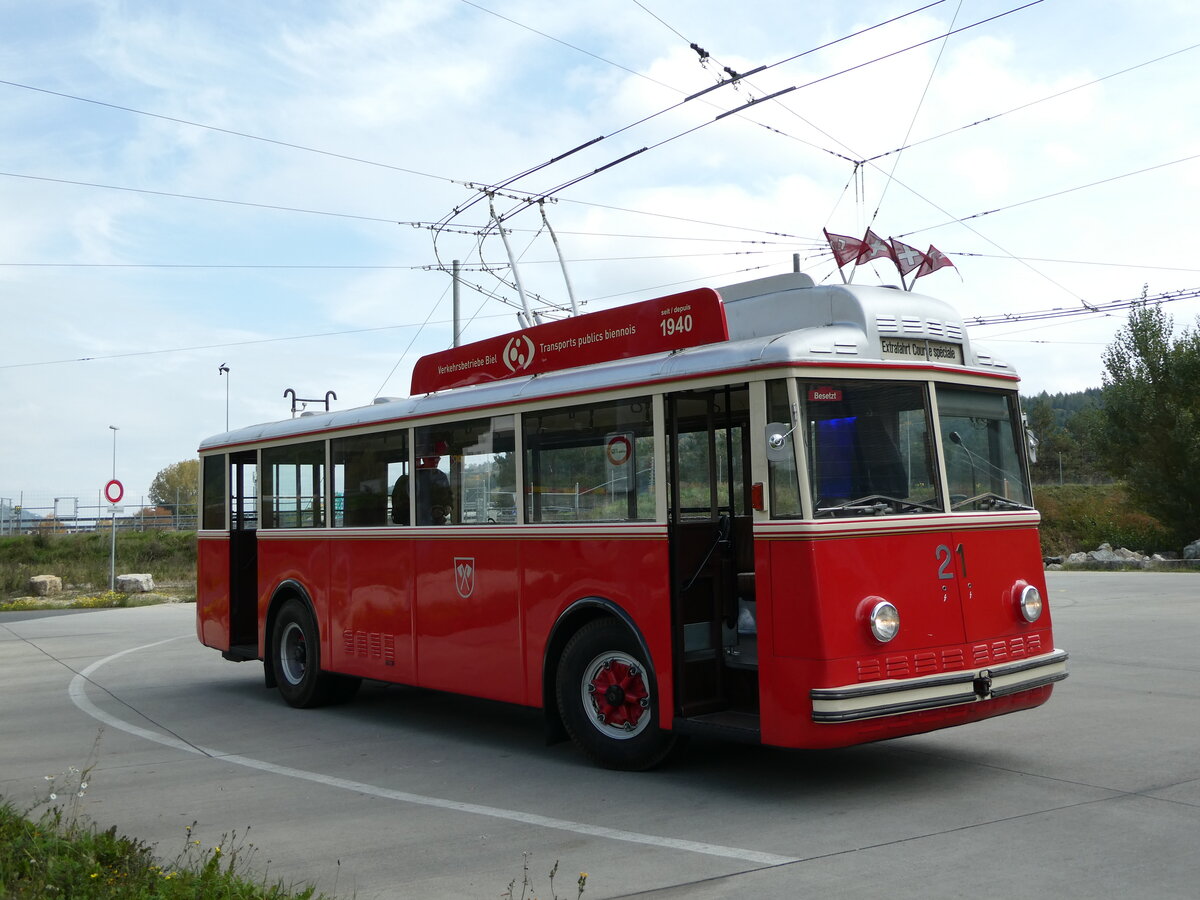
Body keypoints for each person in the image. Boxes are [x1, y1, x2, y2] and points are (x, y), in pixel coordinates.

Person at [391, 442, 453, 525]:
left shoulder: (442, 477)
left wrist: (447, 508)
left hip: (436, 524)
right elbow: (401, 506)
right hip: (414, 524)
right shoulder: (410, 478)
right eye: (431, 458)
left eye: (437, 458)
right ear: (424, 459)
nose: (435, 460)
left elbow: (449, 498)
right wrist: (426, 510)